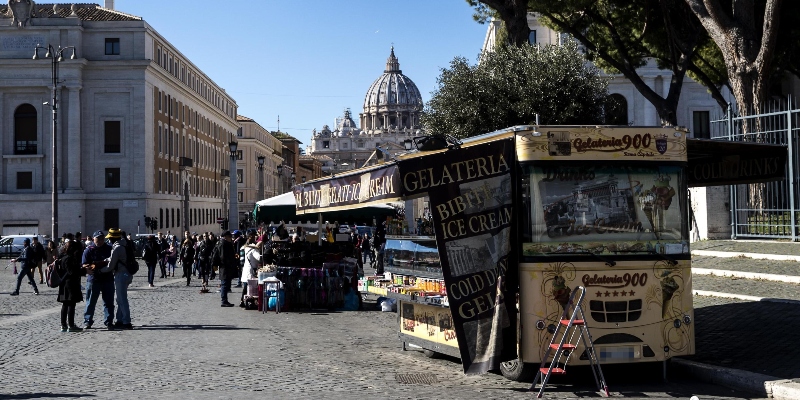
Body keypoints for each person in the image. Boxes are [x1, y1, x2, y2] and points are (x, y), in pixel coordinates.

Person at [100, 228, 133, 329]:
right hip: (127, 273)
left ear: (113, 238)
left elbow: (111, 265)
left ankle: (127, 322)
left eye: (110, 238)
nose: (109, 240)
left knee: (122, 299)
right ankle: (119, 319)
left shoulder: (117, 247)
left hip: (121, 274)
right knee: (120, 298)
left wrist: (100, 270)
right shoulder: (125, 244)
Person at [82, 231, 114, 330]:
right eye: (97, 239)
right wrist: (93, 265)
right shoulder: (89, 250)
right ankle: (88, 321)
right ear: (93, 239)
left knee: (108, 302)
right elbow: (84, 264)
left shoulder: (109, 249)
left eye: (101, 239)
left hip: (107, 279)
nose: (99, 241)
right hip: (93, 279)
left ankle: (109, 321)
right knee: (90, 302)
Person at [57, 240, 86, 332]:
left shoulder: (62, 257)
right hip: (70, 283)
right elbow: (72, 272)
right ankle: (71, 325)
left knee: (65, 304)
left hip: (63, 284)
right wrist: (84, 271)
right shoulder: (70, 258)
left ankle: (63, 325)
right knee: (71, 304)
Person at [214, 230, 238, 307]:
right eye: (230, 236)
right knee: (224, 284)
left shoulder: (226, 243)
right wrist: (229, 263)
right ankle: (224, 301)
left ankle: (225, 300)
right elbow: (223, 256)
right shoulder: (223, 244)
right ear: (226, 237)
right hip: (224, 267)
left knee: (226, 283)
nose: (231, 238)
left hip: (226, 267)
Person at [238, 236, 261, 308]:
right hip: (251, 270)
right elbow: (259, 258)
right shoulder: (253, 250)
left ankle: (242, 300)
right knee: (251, 287)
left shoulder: (245, 248)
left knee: (245, 286)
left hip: (245, 269)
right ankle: (249, 301)